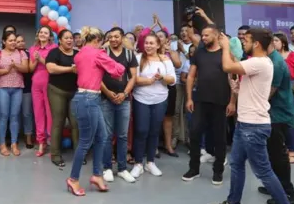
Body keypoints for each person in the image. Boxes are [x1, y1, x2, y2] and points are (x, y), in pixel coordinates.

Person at [207, 28, 294, 204]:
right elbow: (250, 87)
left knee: (264, 172)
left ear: (257, 44)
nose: (243, 42)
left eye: (246, 39)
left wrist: (224, 47)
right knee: (236, 163)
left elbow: (227, 65)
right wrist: (237, 91)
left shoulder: (259, 62)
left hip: (254, 126)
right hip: (245, 123)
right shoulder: (259, 63)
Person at [66, 26, 125, 196]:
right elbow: (118, 70)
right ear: (99, 40)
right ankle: (73, 179)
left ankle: (97, 175)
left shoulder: (80, 54)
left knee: (102, 136)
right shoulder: (98, 53)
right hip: (89, 100)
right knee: (86, 142)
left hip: (85, 98)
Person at [183, 24, 232, 184]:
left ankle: (218, 171)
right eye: (202, 35)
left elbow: (233, 79)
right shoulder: (199, 53)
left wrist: (232, 101)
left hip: (221, 101)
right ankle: (194, 168)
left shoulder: (225, 53)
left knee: (219, 137)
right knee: (195, 133)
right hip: (200, 100)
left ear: (216, 36)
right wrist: (190, 98)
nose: (203, 38)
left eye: (206, 35)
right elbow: (190, 76)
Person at [130, 33, 175, 178]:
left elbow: (172, 79)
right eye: (146, 43)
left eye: (151, 43)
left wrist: (162, 78)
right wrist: (149, 81)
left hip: (160, 99)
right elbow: (134, 79)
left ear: (158, 45)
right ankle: (138, 164)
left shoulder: (165, 60)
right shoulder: (137, 58)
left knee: (154, 131)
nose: (148, 46)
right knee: (141, 130)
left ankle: (150, 162)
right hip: (141, 99)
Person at [259, 38, 294, 204]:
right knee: (271, 153)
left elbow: (270, 91)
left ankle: (287, 193)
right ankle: (274, 186)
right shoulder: (269, 60)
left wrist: (255, 105)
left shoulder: (276, 63)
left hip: (278, 114)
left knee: (278, 154)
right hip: (272, 113)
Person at [99, 27, 137, 183]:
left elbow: (134, 76)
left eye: (116, 36)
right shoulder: (103, 54)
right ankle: (107, 168)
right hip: (105, 99)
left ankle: (122, 169)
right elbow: (98, 76)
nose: (113, 39)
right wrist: (108, 93)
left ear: (122, 38)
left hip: (124, 100)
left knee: (122, 135)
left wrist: (125, 94)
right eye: (110, 37)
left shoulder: (129, 54)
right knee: (107, 135)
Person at [0, 30, 29, 156]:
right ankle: (2, 144)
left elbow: (26, 68)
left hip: (17, 87)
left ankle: (14, 143)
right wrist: (6, 70)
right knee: (3, 116)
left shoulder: (22, 53)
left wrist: (16, 66)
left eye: (14, 40)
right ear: (4, 42)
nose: (13, 43)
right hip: (2, 87)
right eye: (10, 40)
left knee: (14, 116)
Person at [47, 29, 79, 167]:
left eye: (71, 37)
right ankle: (55, 155)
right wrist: (70, 69)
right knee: (58, 122)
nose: (69, 40)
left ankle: (79, 154)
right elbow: (51, 68)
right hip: (57, 91)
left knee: (76, 123)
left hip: (75, 92)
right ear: (59, 40)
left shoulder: (78, 54)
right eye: (66, 38)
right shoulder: (54, 53)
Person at [272, 32, 294, 163]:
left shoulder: (292, 56)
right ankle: (278, 149)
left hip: (290, 91)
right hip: (273, 91)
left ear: (283, 42)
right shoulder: (269, 57)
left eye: (276, 40)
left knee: (289, 121)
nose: (273, 43)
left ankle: (291, 150)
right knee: (274, 121)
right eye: (272, 41)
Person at [29, 26, 55, 157]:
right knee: (38, 113)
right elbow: (30, 68)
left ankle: (51, 142)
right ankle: (41, 142)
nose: (43, 34)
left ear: (50, 36)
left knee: (50, 114)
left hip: (50, 83)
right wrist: (35, 59)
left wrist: (41, 59)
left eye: (46, 33)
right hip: (36, 83)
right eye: (41, 32)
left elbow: (52, 67)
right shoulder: (33, 49)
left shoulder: (54, 49)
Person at [16, 34, 35, 149]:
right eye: (18, 41)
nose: (21, 43)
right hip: (14, 88)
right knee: (15, 115)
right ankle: (15, 137)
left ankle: (28, 136)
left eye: (22, 41)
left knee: (27, 113)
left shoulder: (29, 54)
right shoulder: (10, 54)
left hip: (27, 88)